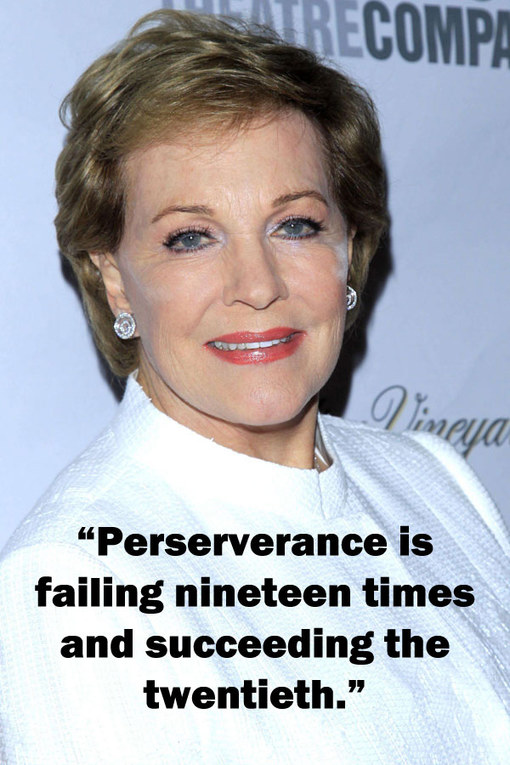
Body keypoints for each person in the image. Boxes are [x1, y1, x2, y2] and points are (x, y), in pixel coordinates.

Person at [0, 9, 508, 765]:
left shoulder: (434, 478)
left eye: (295, 225)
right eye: (191, 237)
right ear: (116, 280)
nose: (258, 285)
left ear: (349, 247)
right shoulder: (76, 575)